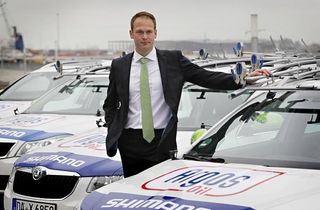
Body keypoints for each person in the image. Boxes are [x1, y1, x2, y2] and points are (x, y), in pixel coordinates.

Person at [103, 11, 270, 178]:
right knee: (132, 193)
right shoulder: (120, 65)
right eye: (140, 32)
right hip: (129, 142)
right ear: (131, 34)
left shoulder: (173, 60)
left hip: (163, 140)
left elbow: (205, 76)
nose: (144, 36)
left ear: (156, 33)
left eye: (149, 31)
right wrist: (115, 131)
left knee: (161, 193)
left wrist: (242, 79)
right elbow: (110, 103)